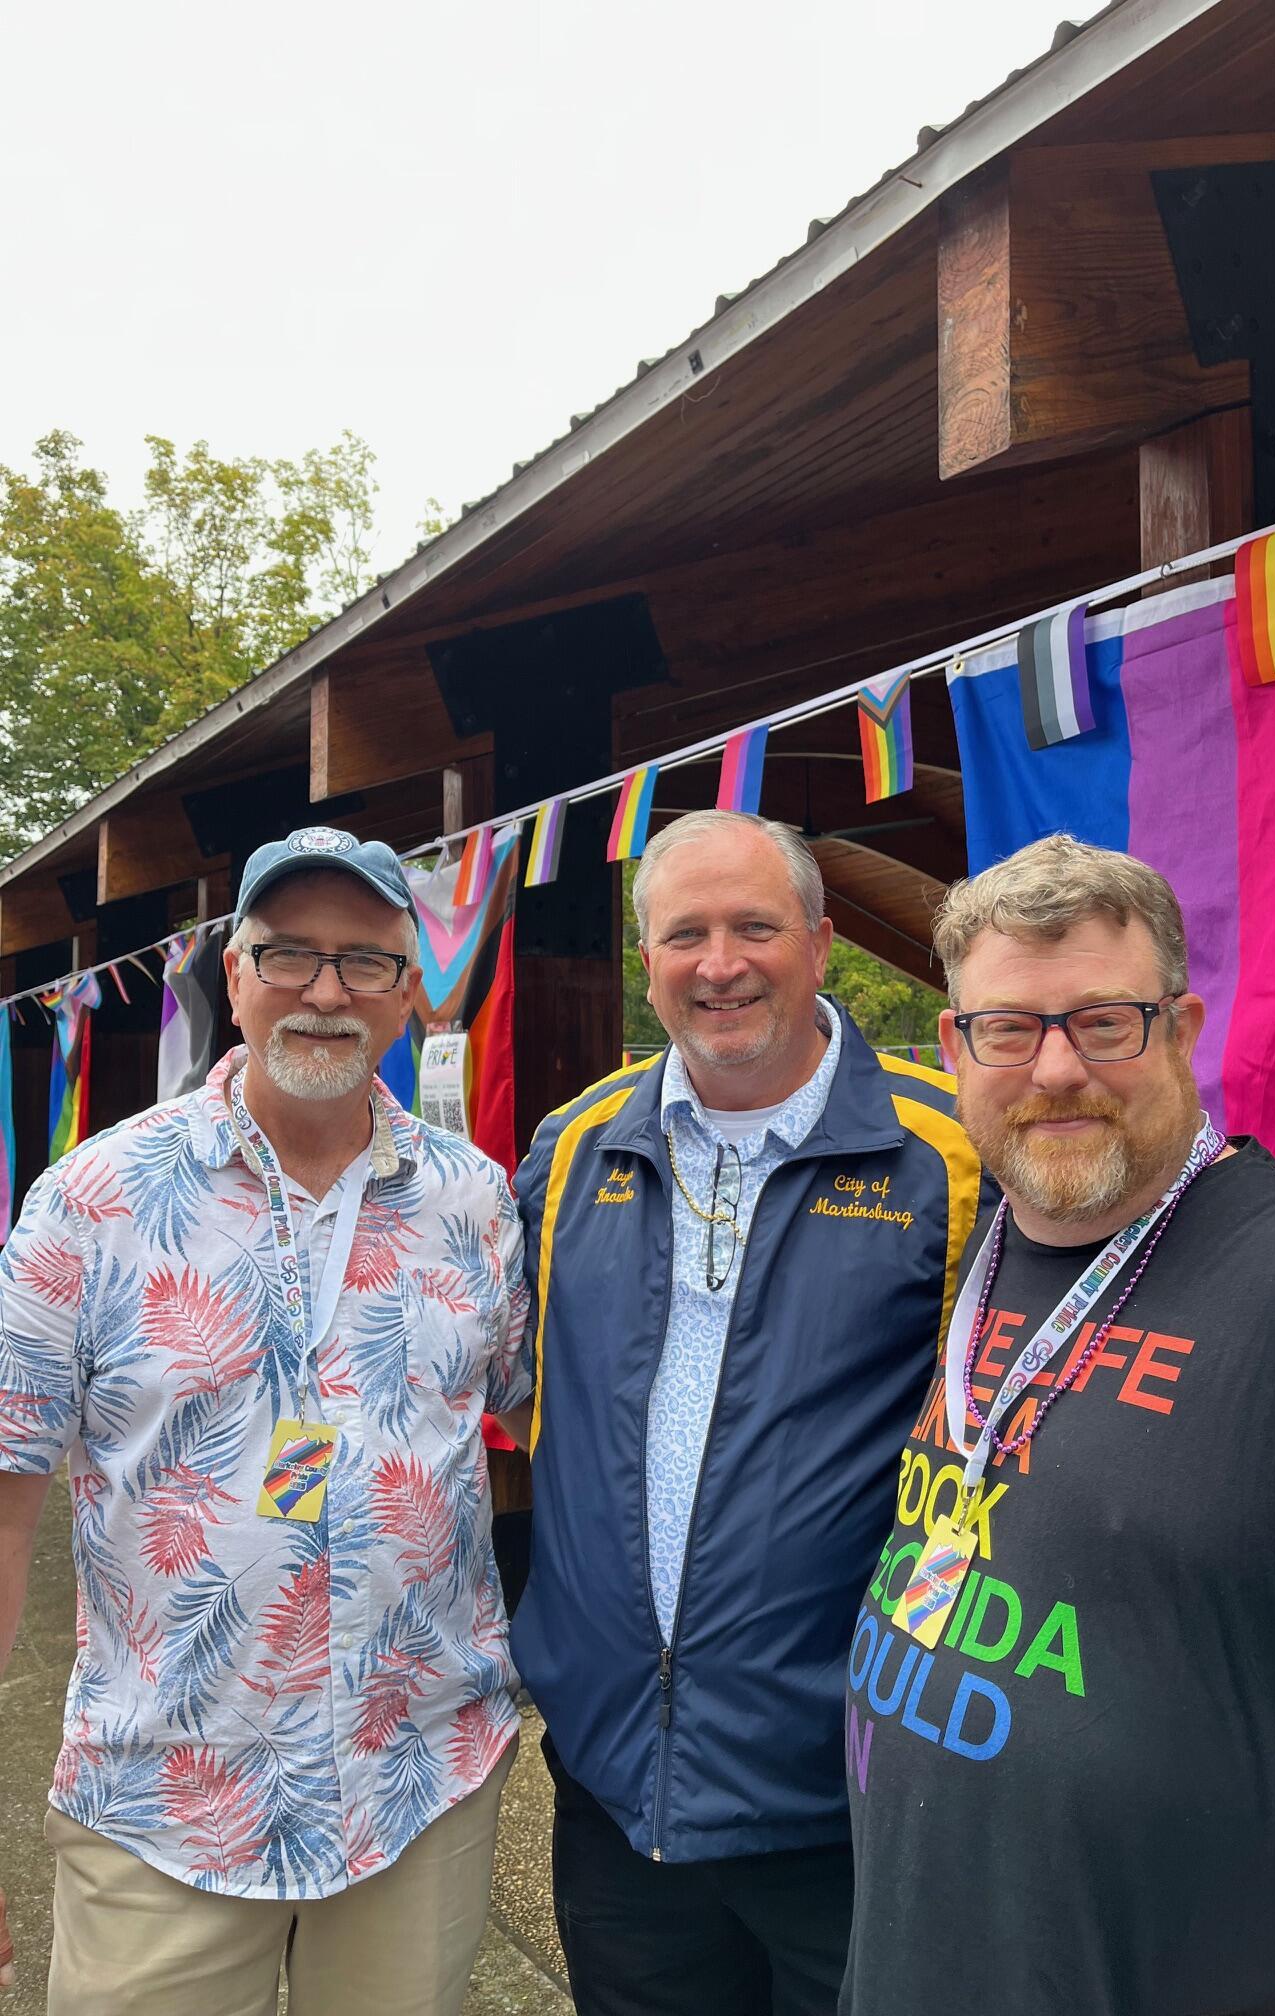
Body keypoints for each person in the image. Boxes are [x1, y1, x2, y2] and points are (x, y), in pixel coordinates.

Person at [841, 832, 1275, 2016]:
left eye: (1105, 1021)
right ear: (955, 1049)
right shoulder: (989, 1256)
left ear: (1184, 1030)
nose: (1055, 1071)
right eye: (1010, 1028)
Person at [0, 826, 529, 2016]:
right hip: (166, 1804)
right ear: (231, 975)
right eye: (288, 953)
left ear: (410, 988)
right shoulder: (93, 1203)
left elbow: (511, 1414)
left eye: (366, 961)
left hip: (418, 1783)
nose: (327, 991)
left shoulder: (476, 1202)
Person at [506, 809, 986, 2016]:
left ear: (821, 944)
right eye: (686, 935)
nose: (720, 963)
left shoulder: (952, 1156)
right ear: (649, 959)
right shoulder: (570, 1150)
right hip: (613, 1788)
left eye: (754, 927)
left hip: (848, 1792)